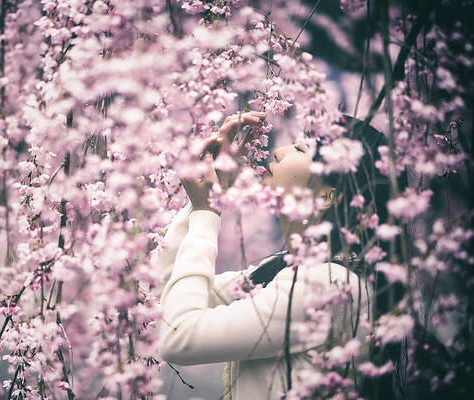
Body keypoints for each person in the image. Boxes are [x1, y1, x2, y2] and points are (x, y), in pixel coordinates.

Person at [152, 111, 393, 399]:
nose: (278, 151)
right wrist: (204, 202)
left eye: (300, 149)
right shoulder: (281, 270)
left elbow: (179, 336)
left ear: (326, 196)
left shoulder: (326, 286)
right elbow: (162, 300)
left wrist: (207, 213)